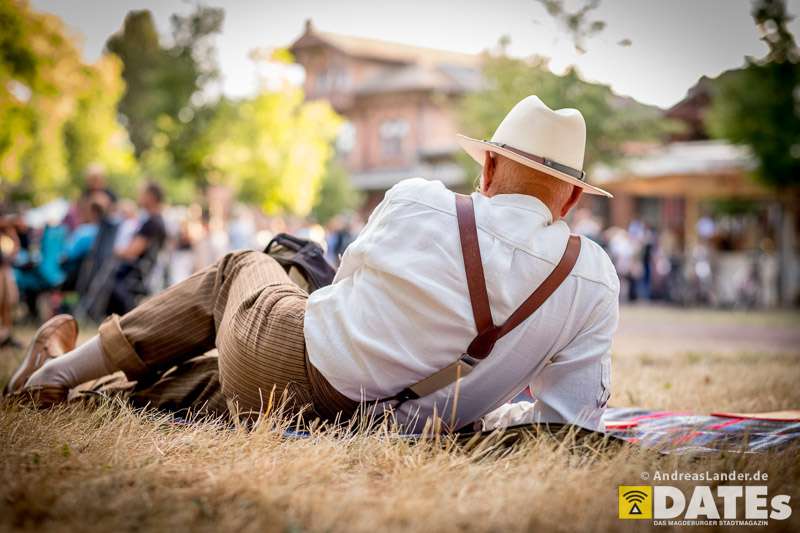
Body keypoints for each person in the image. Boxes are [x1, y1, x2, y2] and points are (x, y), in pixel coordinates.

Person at [5, 96, 620, 433]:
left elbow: (345, 294)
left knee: (237, 270)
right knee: (205, 386)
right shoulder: (593, 279)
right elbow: (566, 420)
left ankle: (58, 375)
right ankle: (77, 393)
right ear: (571, 199)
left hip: (299, 365)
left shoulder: (421, 201)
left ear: (486, 169)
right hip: (376, 426)